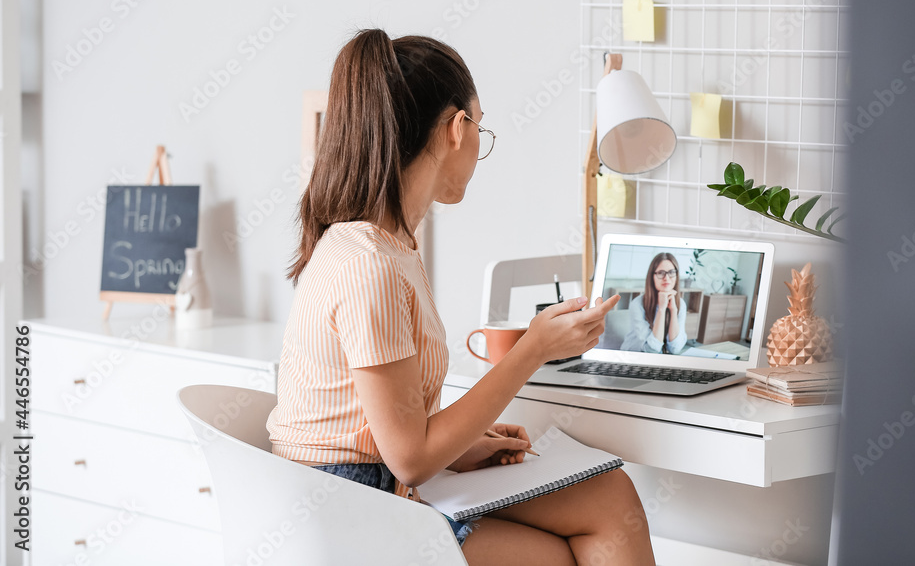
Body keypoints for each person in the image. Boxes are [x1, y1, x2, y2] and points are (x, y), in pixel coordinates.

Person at [265, 29, 654, 565]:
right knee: (575, 544)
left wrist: (463, 446)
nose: (479, 145)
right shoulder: (370, 265)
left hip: (366, 485)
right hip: (354, 509)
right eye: (481, 126)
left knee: (610, 497)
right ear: (457, 127)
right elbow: (410, 459)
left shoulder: (388, 243)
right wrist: (533, 348)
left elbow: (393, 432)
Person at [621, 253, 688, 355]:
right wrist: (661, 309)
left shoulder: (681, 304)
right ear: (652, 276)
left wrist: (673, 311)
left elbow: (675, 349)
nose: (667, 278)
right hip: (633, 357)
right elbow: (651, 349)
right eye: (661, 273)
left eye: (671, 272)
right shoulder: (637, 304)